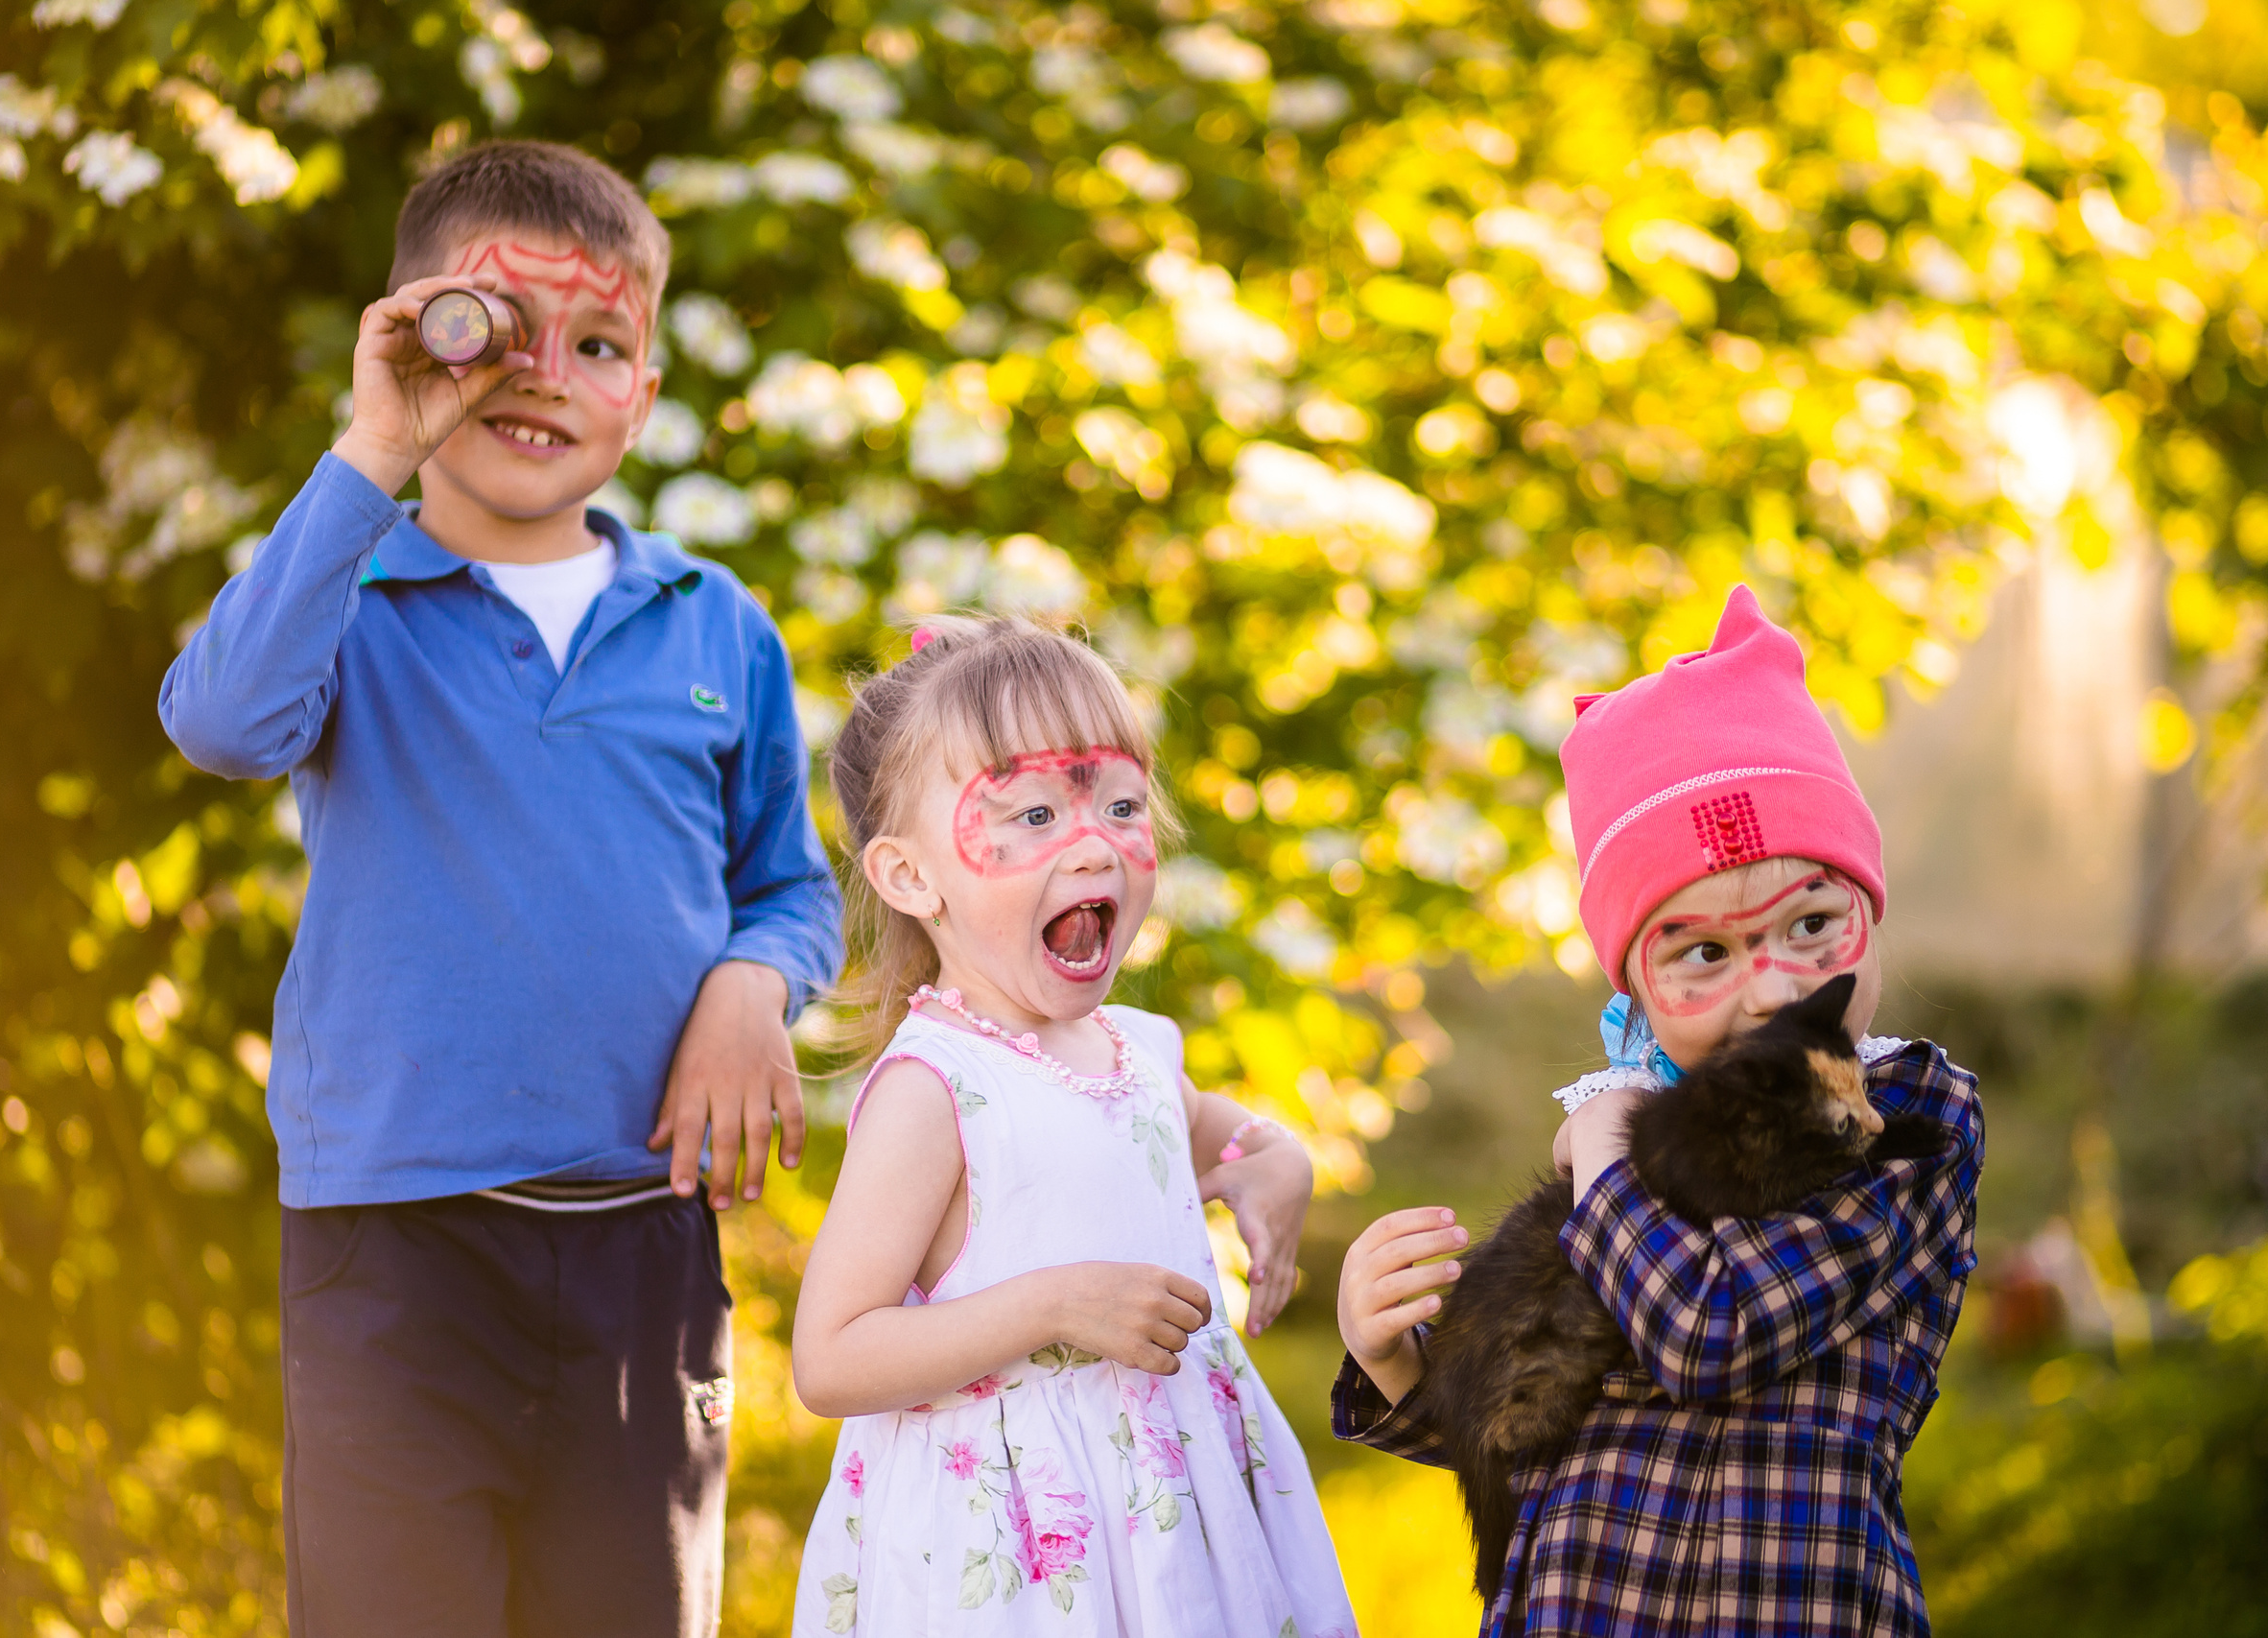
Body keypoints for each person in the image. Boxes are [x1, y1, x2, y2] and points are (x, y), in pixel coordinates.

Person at [159, 139, 842, 1638]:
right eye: (499, 335)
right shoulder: (355, 595)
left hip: (639, 1246)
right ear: (416, 336)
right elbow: (218, 723)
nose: (544, 378)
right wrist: (372, 449)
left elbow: (794, 889)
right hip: (395, 1243)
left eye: (597, 345)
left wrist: (749, 982)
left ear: (646, 394)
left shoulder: (711, 624)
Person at [1332, 586, 1985, 1636]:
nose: (1772, 987)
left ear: (1869, 906)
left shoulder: (1901, 1117)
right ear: (1634, 986)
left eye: (1812, 922)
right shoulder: (1638, 1141)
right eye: (1705, 953)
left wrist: (1603, 1147)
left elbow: (1706, 1334)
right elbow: (1520, 1434)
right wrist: (1395, 1361)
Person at [786, 617, 1357, 1638]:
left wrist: (1276, 1162)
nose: (1094, 842)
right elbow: (831, 1356)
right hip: (1017, 1557)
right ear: (912, 878)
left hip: (1177, 1516)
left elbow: (1228, 1142)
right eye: (1037, 813)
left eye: (1120, 804)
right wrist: (1051, 1305)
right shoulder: (935, 1090)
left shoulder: (1139, 1053)